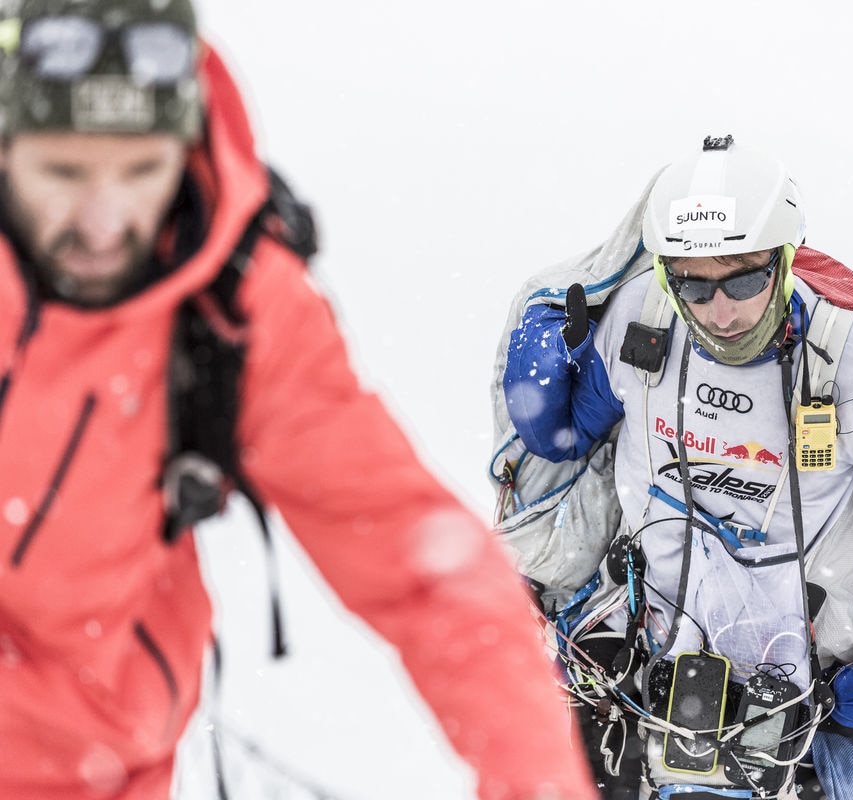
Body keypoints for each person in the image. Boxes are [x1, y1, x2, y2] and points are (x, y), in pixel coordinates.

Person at [0, 2, 598, 799]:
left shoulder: (232, 306)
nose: (106, 222)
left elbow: (420, 562)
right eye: (65, 174)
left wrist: (539, 782)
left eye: (143, 170)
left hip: (93, 765)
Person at [497, 136, 853, 799]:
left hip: (801, 710)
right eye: (692, 284)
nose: (719, 313)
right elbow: (569, 435)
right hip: (649, 679)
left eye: (745, 281)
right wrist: (539, 368)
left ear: (784, 260)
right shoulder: (646, 323)